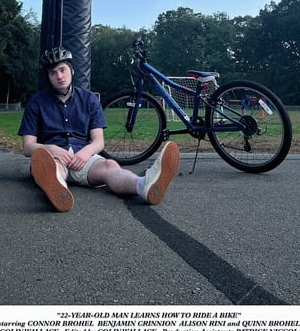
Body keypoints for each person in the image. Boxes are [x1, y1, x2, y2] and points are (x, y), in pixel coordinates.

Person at [18, 46, 180, 212]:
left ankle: (143, 185)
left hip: (83, 157)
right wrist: (51, 149)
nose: (59, 76)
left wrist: (86, 153)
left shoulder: (89, 99)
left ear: (71, 70)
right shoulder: (36, 102)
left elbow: (98, 141)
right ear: (48, 77)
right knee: (52, 168)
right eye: (53, 72)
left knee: (110, 166)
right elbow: (28, 146)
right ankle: (56, 187)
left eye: (62, 69)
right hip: (54, 157)